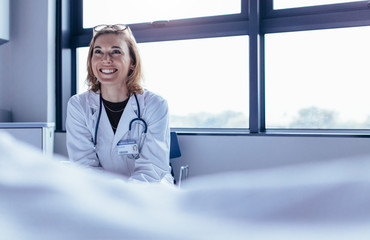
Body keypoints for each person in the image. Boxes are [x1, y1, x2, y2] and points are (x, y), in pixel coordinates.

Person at [66, 24, 173, 184]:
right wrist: (111, 195)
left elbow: (152, 168)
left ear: (132, 62)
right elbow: (84, 165)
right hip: (102, 191)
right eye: (98, 52)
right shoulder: (79, 105)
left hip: (149, 189)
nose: (106, 59)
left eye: (116, 51)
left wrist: (124, 195)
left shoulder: (155, 105)